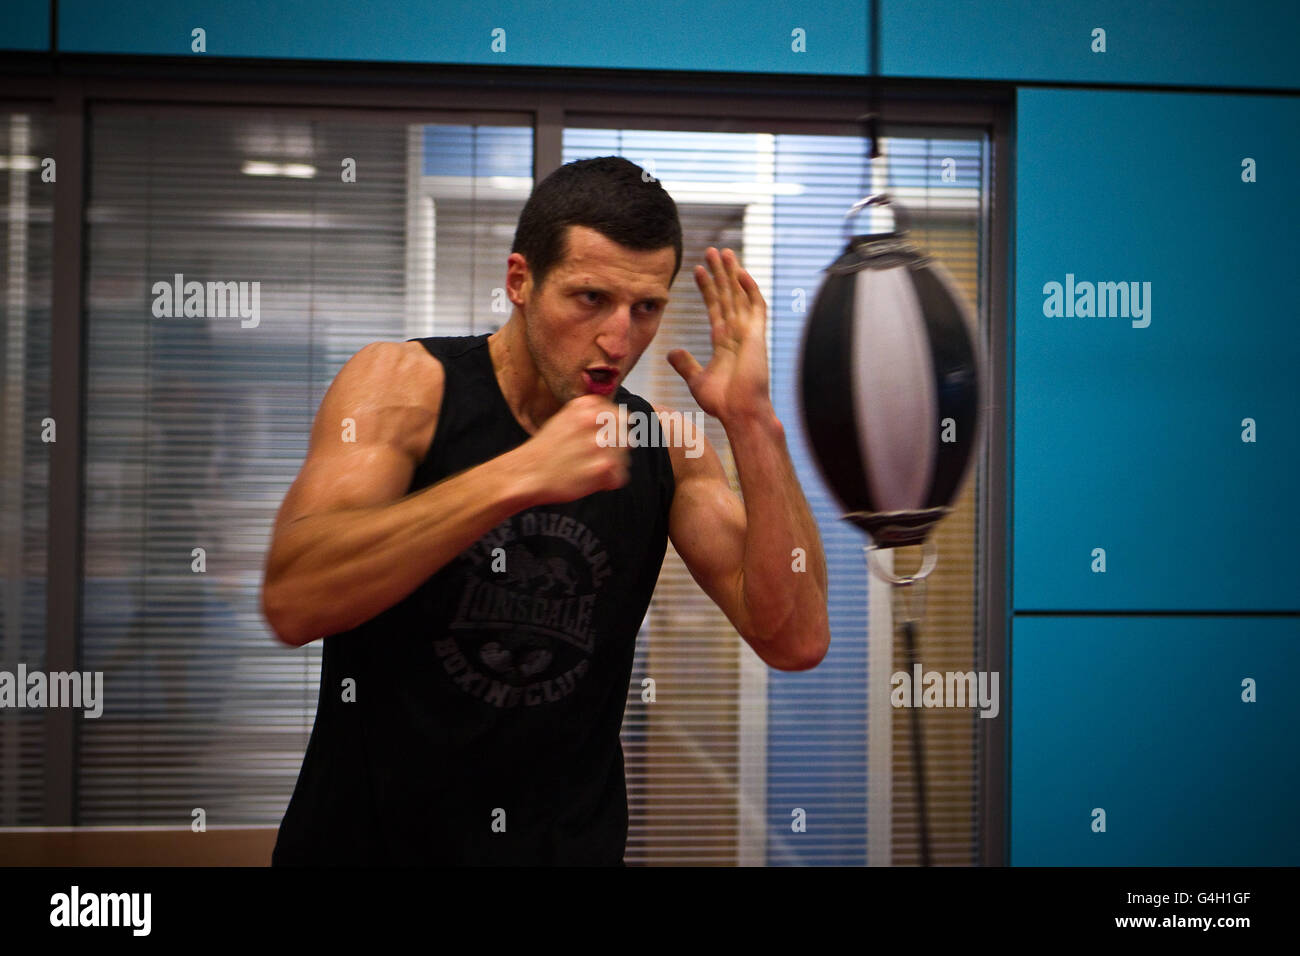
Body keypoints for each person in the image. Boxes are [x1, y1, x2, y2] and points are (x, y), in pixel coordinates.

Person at [262, 156, 830, 865]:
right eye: (590, 298)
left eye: (645, 307)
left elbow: (795, 637)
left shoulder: (665, 447)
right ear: (520, 281)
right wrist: (519, 475)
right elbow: (293, 598)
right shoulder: (403, 386)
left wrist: (752, 423)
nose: (618, 340)